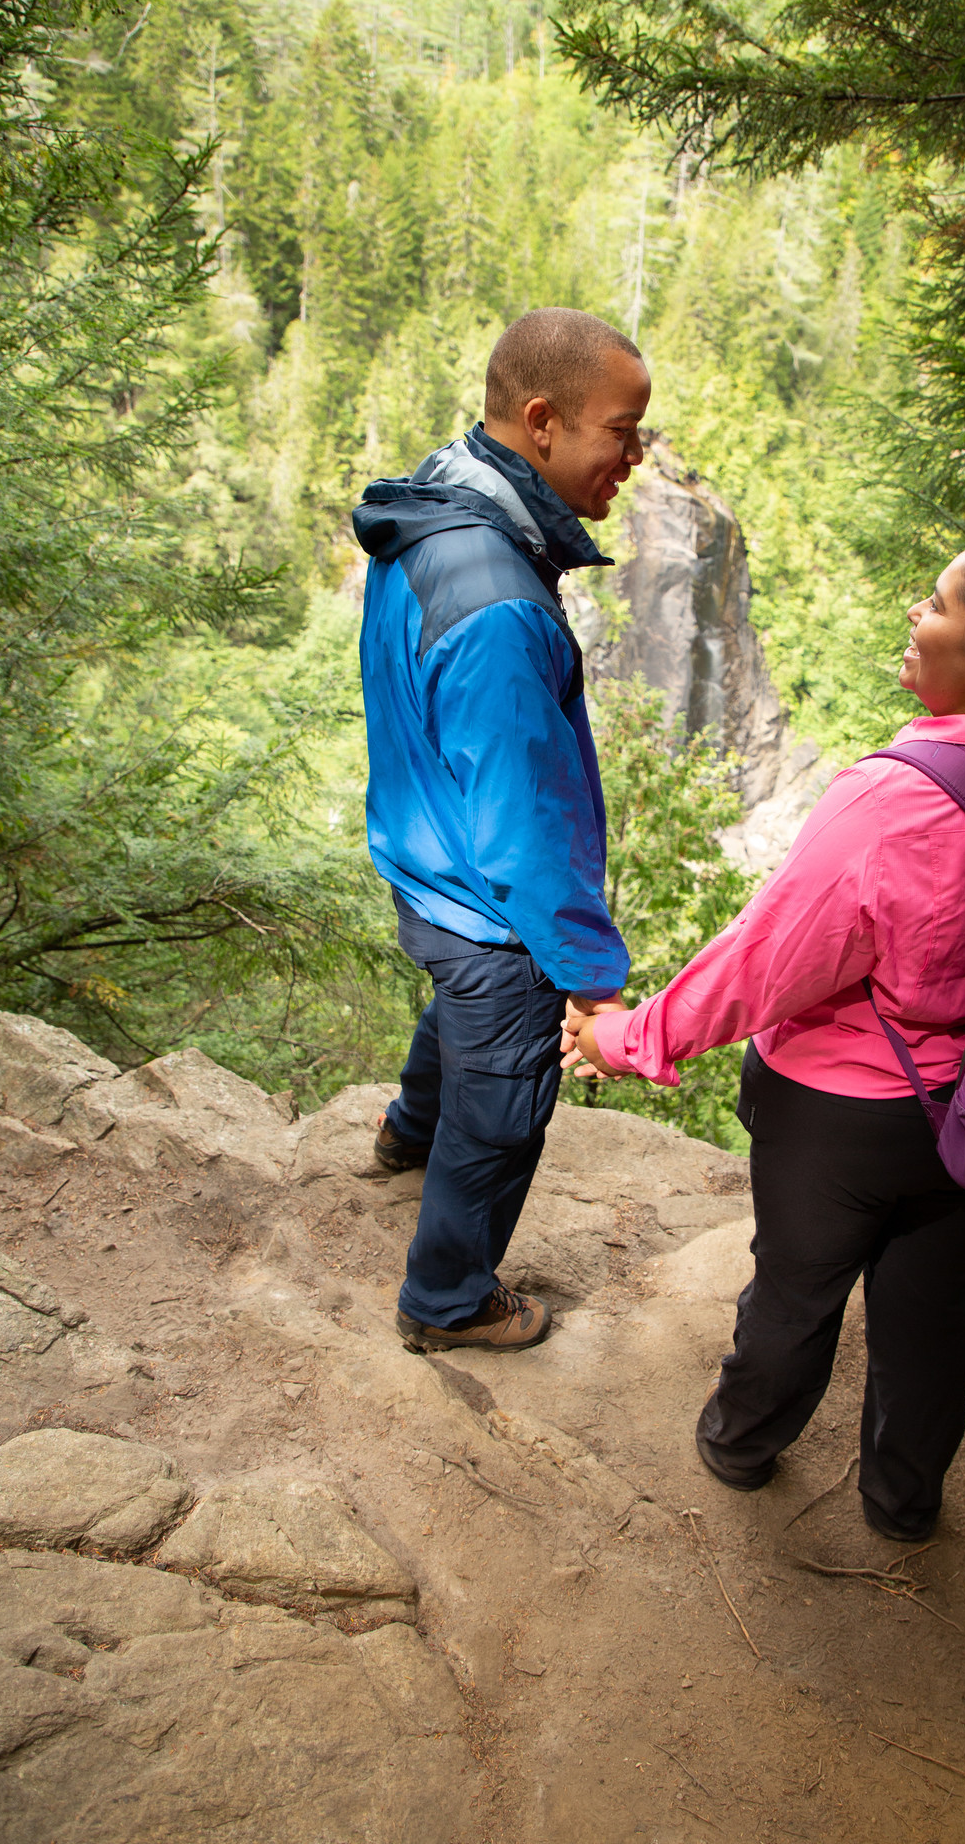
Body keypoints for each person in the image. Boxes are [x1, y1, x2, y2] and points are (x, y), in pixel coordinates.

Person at [563, 534, 965, 1540]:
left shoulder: (899, 796)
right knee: (929, 1312)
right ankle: (903, 1499)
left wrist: (629, 1035)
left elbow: (767, 963)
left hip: (840, 1114)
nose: (913, 615)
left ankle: (741, 1444)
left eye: (934, 602)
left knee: (795, 1292)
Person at [354, 308, 650, 1354]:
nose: (634, 456)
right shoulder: (502, 606)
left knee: (459, 1017)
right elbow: (526, 829)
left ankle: (404, 1134)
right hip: (483, 897)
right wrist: (591, 979)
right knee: (506, 1093)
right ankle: (446, 1299)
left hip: (419, 852)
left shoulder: (435, 501)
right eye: (620, 431)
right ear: (540, 421)